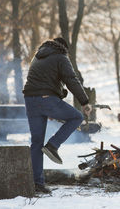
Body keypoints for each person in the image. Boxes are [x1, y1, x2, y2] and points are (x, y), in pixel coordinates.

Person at [23, 37, 92, 193]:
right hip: (45, 99)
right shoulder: (61, 56)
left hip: (30, 99)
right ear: (63, 48)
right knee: (77, 117)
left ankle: (37, 184)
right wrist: (85, 102)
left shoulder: (38, 56)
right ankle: (53, 146)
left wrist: (55, 100)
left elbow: (44, 81)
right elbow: (71, 79)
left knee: (36, 143)